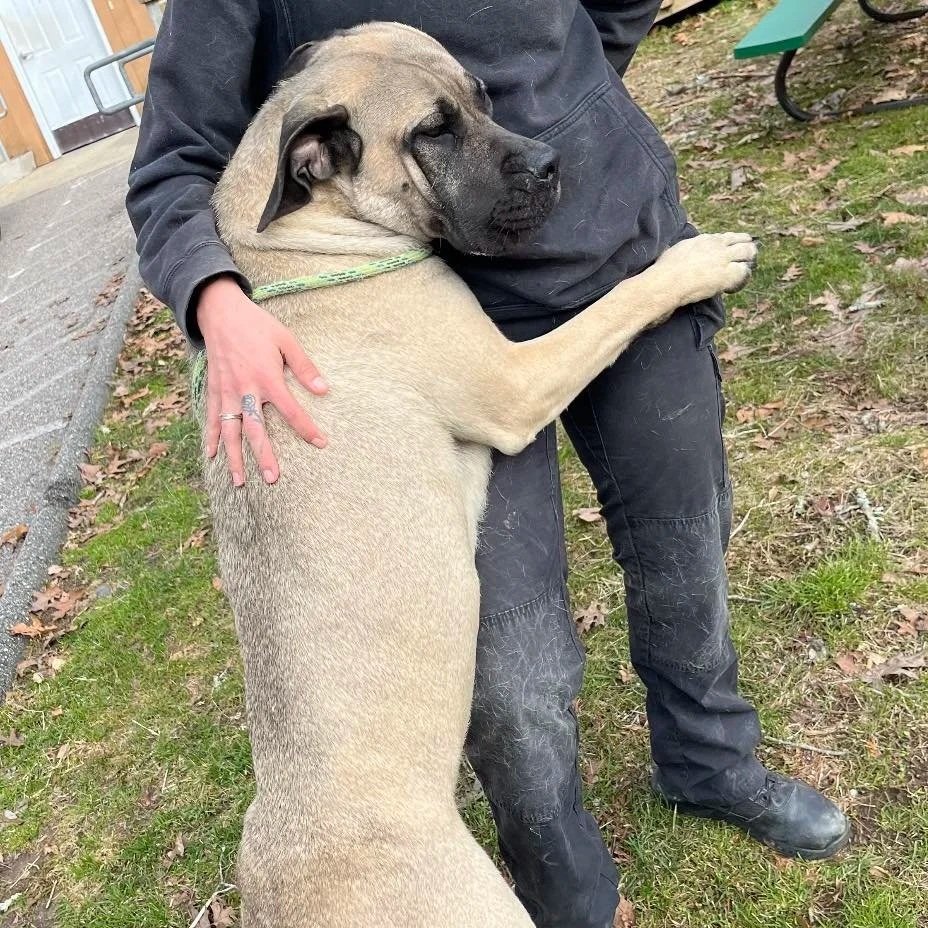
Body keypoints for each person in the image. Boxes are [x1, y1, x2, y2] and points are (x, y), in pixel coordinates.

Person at [126, 2, 850, 925]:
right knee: (516, 674)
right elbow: (174, 158)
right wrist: (214, 294)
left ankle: (712, 766)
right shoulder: (337, 219)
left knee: (686, 546)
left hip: (609, 228)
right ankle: (562, 882)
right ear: (314, 161)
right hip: (457, 304)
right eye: (440, 129)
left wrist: (568, 95)